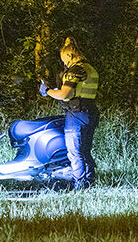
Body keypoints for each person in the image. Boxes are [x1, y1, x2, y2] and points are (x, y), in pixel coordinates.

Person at [39, 37, 100, 190]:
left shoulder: (75, 70)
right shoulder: (90, 68)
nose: (64, 64)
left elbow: (65, 94)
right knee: (85, 151)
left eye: (64, 60)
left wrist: (47, 91)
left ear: (70, 56)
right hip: (90, 111)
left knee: (74, 152)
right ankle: (89, 183)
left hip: (76, 114)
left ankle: (79, 186)